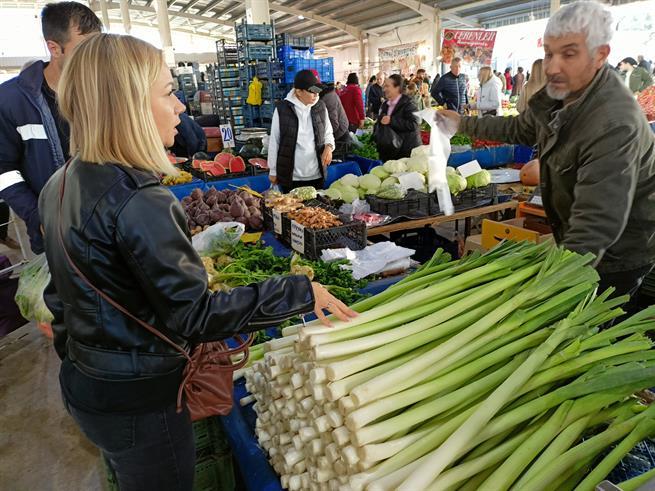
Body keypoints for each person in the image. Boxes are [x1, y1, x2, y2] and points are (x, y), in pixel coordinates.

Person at [40, 33, 355, 491]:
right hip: (142, 402)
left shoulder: (60, 182)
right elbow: (196, 315)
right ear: (130, 105)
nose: (182, 108)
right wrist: (299, 290)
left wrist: (83, 363)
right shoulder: (141, 200)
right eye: (169, 93)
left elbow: (60, 299)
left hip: (88, 389)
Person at [437, 0, 655, 307]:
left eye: (569, 53)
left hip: (617, 251)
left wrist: (542, 291)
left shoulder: (615, 122)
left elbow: (596, 226)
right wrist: (463, 122)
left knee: (595, 327)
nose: (552, 66)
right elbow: (520, 129)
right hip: (574, 233)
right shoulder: (561, 90)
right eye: (549, 53)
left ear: (600, 55)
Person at [0, 2, 102, 254]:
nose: (93, 59)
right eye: (83, 50)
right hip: (55, 236)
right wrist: (38, 216)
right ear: (54, 48)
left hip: (108, 226)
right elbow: (4, 171)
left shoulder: (101, 91)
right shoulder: (11, 100)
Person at [268, 70, 335, 194]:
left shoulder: (320, 107)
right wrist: (273, 170)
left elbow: (328, 133)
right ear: (298, 92)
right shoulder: (282, 109)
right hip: (291, 177)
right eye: (311, 91)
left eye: (317, 90)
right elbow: (274, 141)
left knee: (315, 212)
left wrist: (329, 147)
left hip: (316, 175)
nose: (316, 94)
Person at [374, 74, 421, 162]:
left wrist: (391, 120)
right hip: (390, 152)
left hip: (406, 152)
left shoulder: (409, 103)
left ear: (397, 88)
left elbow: (414, 124)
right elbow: (380, 123)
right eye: (384, 86)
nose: (384, 89)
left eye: (387, 86)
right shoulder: (385, 105)